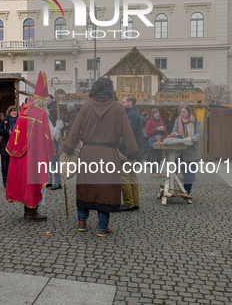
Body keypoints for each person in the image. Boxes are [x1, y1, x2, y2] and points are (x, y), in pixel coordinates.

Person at [64, 77, 138, 236]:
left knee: (86, 185)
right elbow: (127, 132)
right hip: (108, 154)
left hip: (88, 153)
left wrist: (68, 149)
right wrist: (133, 153)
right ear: (110, 91)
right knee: (106, 189)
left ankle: (82, 221)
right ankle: (102, 227)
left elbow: (75, 130)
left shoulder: (86, 107)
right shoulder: (118, 108)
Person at [5, 71, 55, 221]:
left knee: (25, 181)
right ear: (42, 102)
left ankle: (28, 210)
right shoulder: (42, 114)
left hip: (21, 154)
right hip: (34, 154)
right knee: (33, 181)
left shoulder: (24, 111)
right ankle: (31, 212)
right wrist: (51, 151)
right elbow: (47, 136)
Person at [168, 105, 203, 196]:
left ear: (189, 112)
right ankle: (170, 188)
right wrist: (174, 134)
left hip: (191, 151)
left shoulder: (196, 122)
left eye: (184, 112)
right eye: (181, 112)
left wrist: (195, 137)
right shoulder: (177, 121)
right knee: (172, 170)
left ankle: (187, 191)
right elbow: (175, 131)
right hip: (179, 151)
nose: (182, 114)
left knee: (189, 172)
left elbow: (200, 133)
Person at [119, 95, 142, 212]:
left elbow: (128, 135)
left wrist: (118, 147)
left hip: (128, 152)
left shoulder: (131, 115)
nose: (121, 104)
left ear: (130, 103)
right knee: (132, 177)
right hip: (133, 152)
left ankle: (128, 203)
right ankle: (135, 202)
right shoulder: (133, 114)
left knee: (125, 178)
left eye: (123, 102)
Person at [0, 105, 18, 188]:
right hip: (5, 145)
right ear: (9, 113)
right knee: (5, 166)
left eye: (15, 111)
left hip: (16, 146)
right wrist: (7, 131)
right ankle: (6, 183)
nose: (14, 112)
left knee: (15, 167)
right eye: (12, 111)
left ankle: (15, 182)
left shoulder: (19, 121)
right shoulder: (5, 121)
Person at [145, 108, 167, 177]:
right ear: (153, 114)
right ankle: (153, 171)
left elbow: (165, 132)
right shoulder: (149, 122)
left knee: (159, 157)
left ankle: (157, 171)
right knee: (153, 157)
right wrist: (156, 129)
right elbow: (148, 132)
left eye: (158, 113)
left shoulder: (162, 122)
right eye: (155, 113)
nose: (157, 114)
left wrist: (163, 130)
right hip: (152, 142)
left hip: (160, 142)